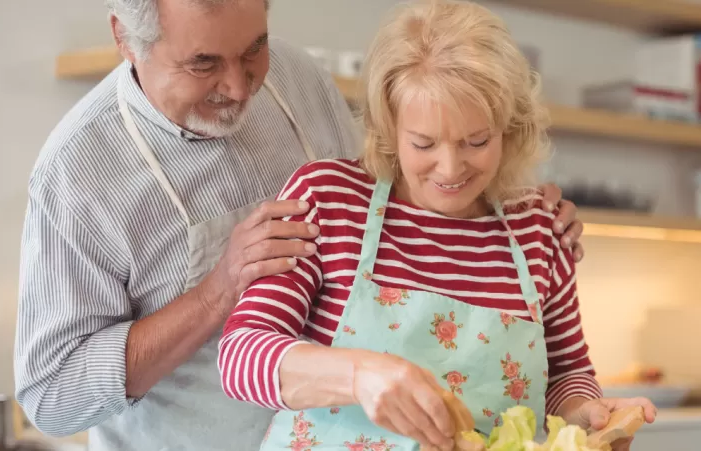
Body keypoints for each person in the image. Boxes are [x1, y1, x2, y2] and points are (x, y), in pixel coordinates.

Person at [14, 0, 585, 450]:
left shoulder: (297, 78)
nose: (240, 87)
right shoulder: (76, 173)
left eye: (253, 48)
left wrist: (514, 201)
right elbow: (53, 396)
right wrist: (219, 290)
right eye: (204, 64)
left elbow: (400, 193)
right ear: (125, 40)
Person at [217, 1, 657, 450]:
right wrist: (360, 375)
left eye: (476, 141)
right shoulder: (330, 199)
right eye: (423, 143)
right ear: (390, 126)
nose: (449, 169)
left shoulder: (539, 230)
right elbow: (240, 358)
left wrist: (586, 414)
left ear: (509, 128)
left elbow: (567, 374)